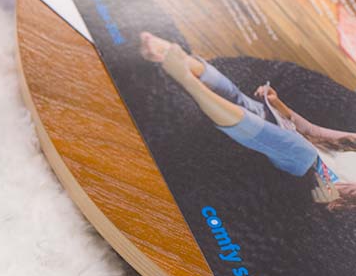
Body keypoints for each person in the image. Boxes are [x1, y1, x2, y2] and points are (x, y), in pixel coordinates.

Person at [139, 32, 356, 210]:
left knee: (302, 150)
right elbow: (315, 131)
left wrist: (331, 192)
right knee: (240, 99)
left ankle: (185, 78)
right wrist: (279, 104)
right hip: (292, 133)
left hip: (300, 166)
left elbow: (327, 203)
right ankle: (168, 54)